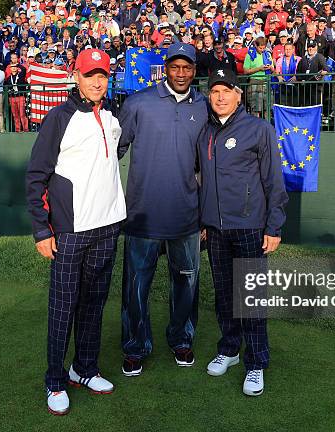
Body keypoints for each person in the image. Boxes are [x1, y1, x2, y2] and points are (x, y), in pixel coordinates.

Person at [26, 48, 125, 416]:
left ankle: (84, 369)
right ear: (76, 77)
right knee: (63, 308)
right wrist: (41, 230)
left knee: (93, 306)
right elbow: (36, 175)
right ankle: (55, 381)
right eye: (90, 75)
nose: (97, 81)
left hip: (107, 227)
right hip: (69, 233)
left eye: (102, 74)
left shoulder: (113, 117)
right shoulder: (58, 118)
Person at [117, 42, 208, 377]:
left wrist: (206, 217)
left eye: (187, 67)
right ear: (166, 67)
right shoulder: (138, 103)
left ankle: (182, 339)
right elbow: (114, 151)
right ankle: (135, 347)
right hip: (142, 215)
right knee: (136, 288)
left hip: (187, 216)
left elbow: (207, 165)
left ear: (194, 70)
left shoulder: (203, 106)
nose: (181, 73)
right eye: (175, 66)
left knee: (186, 284)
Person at [197, 67, 288, 397]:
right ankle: (230, 349)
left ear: (239, 95)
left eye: (227, 90)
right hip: (216, 230)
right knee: (224, 295)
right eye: (214, 91)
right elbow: (200, 181)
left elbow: (274, 181)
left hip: (250, 227)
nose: (220, 96)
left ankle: (256, 362)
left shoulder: (259, 129)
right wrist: (203, 221)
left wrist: (273, 226)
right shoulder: (205, 132)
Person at [243, 36, 274, 117]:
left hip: (266, 82)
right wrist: (259, 69)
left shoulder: (267, 55)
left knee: (267, 107)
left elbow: (273, 69)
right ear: (256, 46)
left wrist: (270, 68)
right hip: (254, 82)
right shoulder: (250, 55)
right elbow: (245, 71)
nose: (262, 50)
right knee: (256, 108)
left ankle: (267, 127)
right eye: (260, 48)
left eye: (264, 48)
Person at [296, 40, 329, 106]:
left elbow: (326, 69)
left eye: (313, 47)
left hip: (316, 86)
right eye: (309, 47)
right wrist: (300, 79)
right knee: (306, 105)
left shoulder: (320, 57)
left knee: (315, 105)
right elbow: (298, 72)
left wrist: (322, 73)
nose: (311, 49)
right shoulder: (303, 59)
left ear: (316, 47)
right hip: (304, 87)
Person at [5, 63, 29, 132]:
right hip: (12, 98)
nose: (14, 68)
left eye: (15, 67)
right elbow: (7, 87)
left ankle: (25, 129)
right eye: (12, 67)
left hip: (20, 96)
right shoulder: (9, 78)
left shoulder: (20, 75)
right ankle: (17, 129)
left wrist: (17, 64)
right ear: (10, 69)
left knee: (22, 114)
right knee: (15, 115)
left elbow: (24, 69)